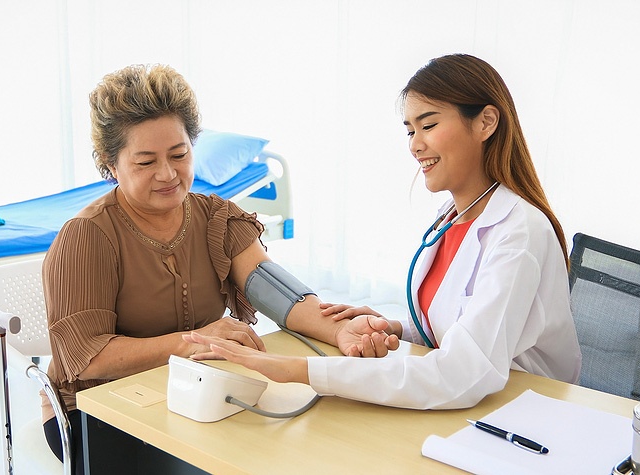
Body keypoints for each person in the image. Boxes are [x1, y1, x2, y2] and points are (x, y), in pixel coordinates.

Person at [41, 64, 399, 473]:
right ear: (110, 162)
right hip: (96, 413)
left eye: (179, 154)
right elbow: (87, 359)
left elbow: (277, 293)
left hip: (192, 391)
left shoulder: (216, 218)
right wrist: (192, 341)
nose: (167, 174)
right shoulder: (87, 237)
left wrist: (339, 330)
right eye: (145, 162)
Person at [185, 53, 582, 411]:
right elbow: (463, 325)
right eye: (410, 130)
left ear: (486, 122)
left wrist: (298, 370)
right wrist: (397, 326)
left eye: (428, 124)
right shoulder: (453, 218)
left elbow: (464, 372)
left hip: (528, 414)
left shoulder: (519, 232)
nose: (415, 145)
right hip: (478, 405)